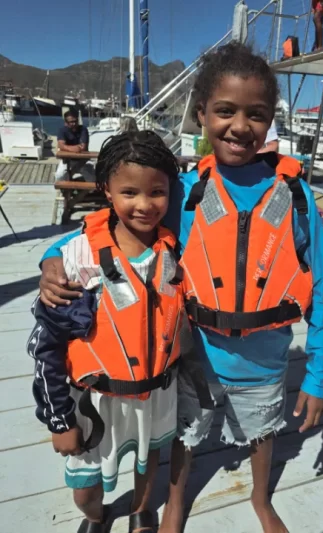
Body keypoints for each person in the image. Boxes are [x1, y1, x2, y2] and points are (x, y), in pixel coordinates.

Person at [38, 42, 323, 533]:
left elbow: (319, 285)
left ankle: (261, 498)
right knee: (185, 436)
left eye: (256, 114)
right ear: (202, 114)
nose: (240, 126)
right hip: (192, 356)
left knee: (262, 432)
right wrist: (52, 259)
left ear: (270, 120)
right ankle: (174, 504)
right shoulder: (182, 191)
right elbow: (108, 227)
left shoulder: (294, 194)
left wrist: (318, 373)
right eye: (225, 111)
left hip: (266, 358)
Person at [28, 130, 184, 533]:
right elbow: (46, 348)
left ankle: (141, 511)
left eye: (157, 192)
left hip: (155, 394)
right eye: (129, 192)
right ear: (107, 192)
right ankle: (96, 517)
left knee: (149, 460)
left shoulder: (173, 251)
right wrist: (59, 421)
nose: (145, 205)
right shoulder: (76, 260)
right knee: (84, 489)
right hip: (94, 403)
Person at [55, 110, 95, 182]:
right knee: (59, 175)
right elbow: (60, 145)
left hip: (83, 160)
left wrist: (66, 147)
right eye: (71, 122)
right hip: (67, 160)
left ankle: (88, 189)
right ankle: (65, 188)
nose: (74, 123)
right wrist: (74, 148)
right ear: (66, 123)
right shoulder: (62, 130)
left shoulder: (83, 129)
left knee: (92, 178)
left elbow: (83, 147)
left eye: (75, 121)